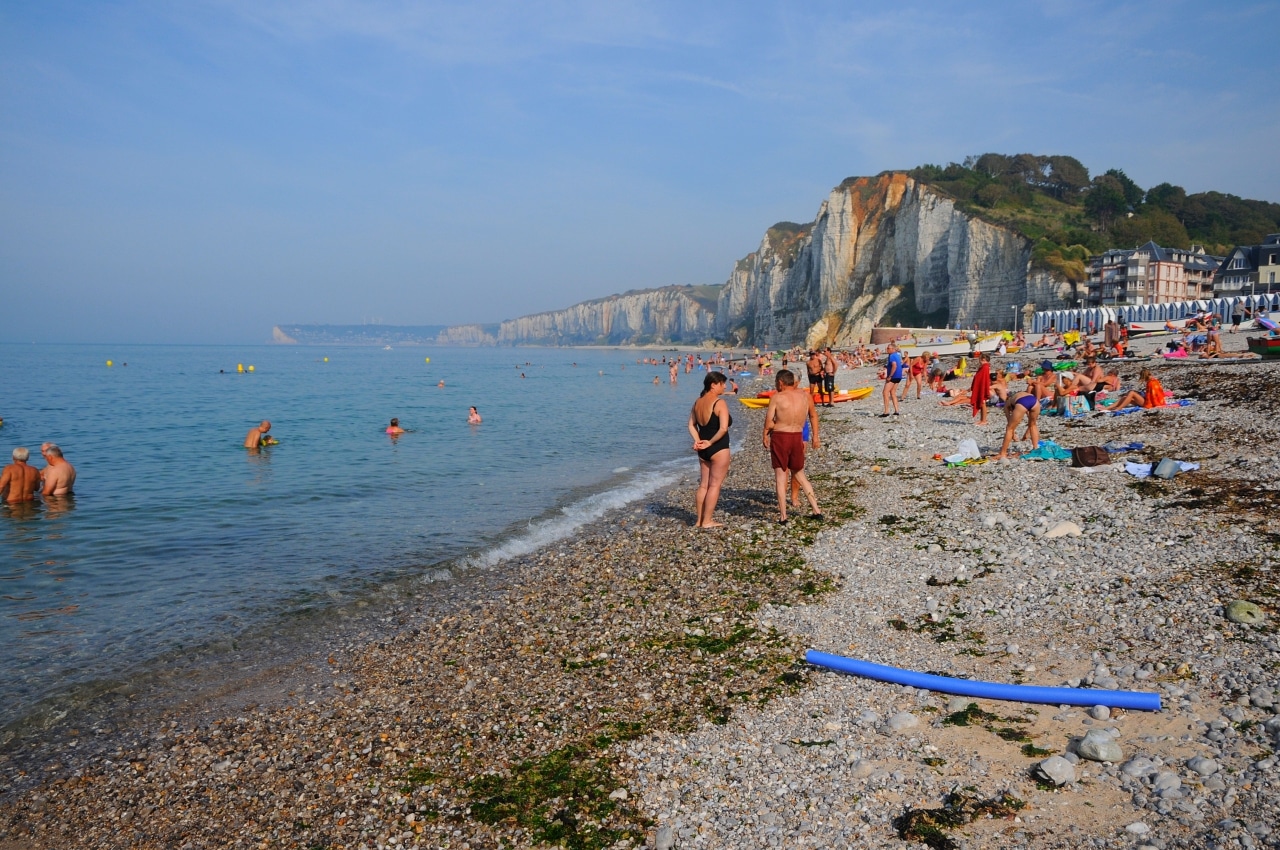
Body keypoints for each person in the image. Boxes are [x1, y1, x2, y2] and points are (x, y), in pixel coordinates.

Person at [762, 369, 821, 523]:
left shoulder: (777, 397)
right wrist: (815, 436)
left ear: (780, 382)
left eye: (776, 383)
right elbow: (813, 415)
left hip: (781, 437)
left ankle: (783, 516)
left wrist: (767, 432)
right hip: (797, 437)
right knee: (800, 474)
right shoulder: (805, 396)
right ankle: (816, 510)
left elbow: (769, 423)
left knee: (781, 477)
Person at [688, 372, 732, 529]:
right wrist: (710, 442)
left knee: (703, 485)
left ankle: (698, 521)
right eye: (722, 383)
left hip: (703, 450)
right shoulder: (719, 403)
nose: (724, 387)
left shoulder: (698, 402)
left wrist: (698, 441)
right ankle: (707, 521)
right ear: (713, 385)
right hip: (718, 448)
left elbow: (691, 425)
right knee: (714, 485)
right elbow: (723, 428)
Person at [991, 379, 1041, 461]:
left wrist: (1013, 434)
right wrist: (1026, 434)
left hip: (1022, 402)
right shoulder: (1018, 396)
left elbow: (1009, 424)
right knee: (1033, 425)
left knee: (1009, 428)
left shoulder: (1007, 403)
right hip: (1034, 400)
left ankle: (1003, 453)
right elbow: (1030, 420)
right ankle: (1035, 448)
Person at [880, 343, 903, 417]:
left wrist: (890, 376)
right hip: (899, 376)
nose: (887, 349)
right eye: (887, 348)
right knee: (893, 392)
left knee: (885, 392)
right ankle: (896, 410)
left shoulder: (892, 355)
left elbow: (894, 366)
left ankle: (886, 411)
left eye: (888, 348)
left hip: (893, 376)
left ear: (893, 349)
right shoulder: (897, 355)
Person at [969, 352, 991, 425]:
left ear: (983, 359)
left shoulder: (985, 367)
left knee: (983, 403)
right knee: (981, 403)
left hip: (982, 388)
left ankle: (984, 420)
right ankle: (982, 420)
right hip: (981, 387)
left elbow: (984, 379)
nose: (979, 361)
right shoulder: (984, 367)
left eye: (979, 359)